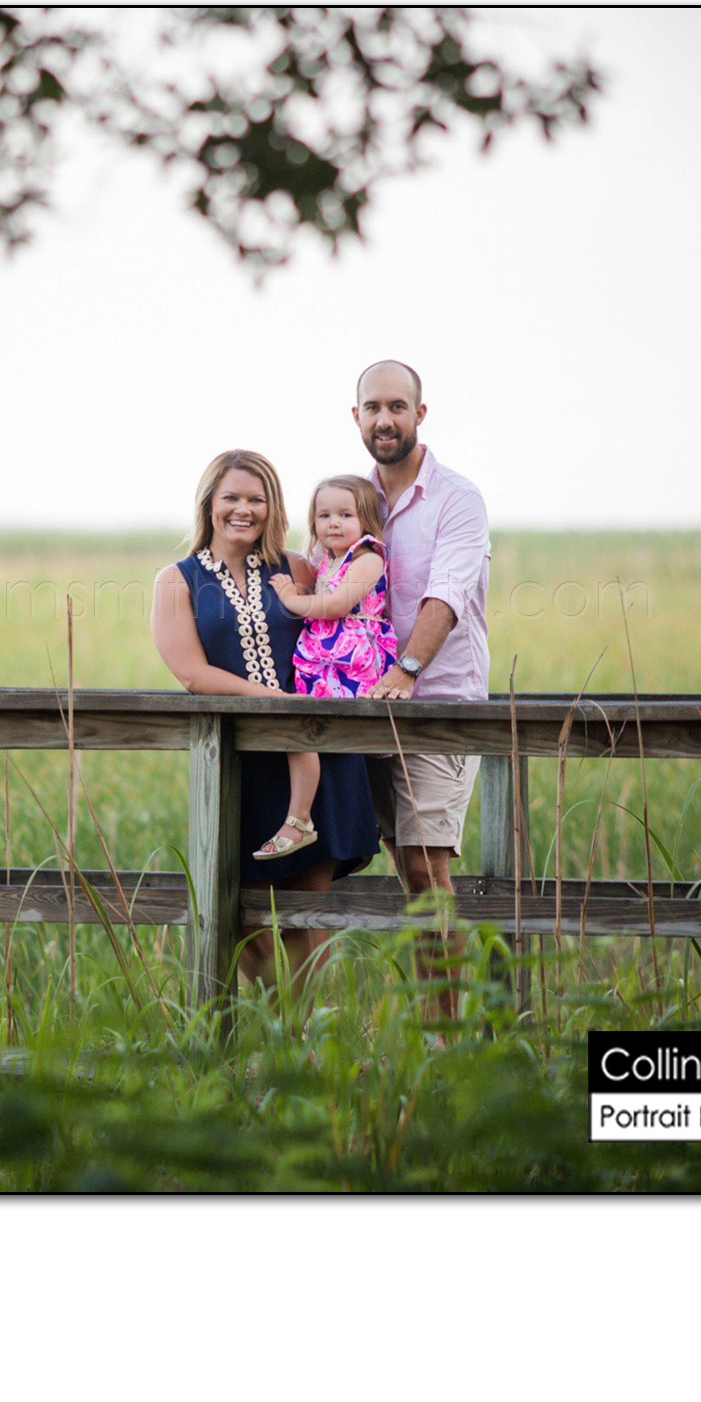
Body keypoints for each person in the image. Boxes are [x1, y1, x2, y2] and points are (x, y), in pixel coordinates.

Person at [150, 449, 381, 991]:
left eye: (256, 499)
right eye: (231, 497)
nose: (244, 510)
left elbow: (348, 624)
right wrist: (274, 701)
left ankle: (303, 1036)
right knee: (245, 920)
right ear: (209, 503)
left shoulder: (297, 569)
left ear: (272, 507)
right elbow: (192, 673)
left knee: (307, 914)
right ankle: (259, 1033)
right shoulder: (177, 580)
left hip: (315, 757)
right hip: (239, 763)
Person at [354, 360, 492, 1022]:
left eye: (397, 407)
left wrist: (406, 670)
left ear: (420, 414)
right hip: (368, 710)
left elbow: (448, 593)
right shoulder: (356, 501)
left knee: (426, 871)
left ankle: (448, 1036)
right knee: (406, 871)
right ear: (356, 417)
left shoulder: (456, 498)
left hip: (440, 706)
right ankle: (432, 1027)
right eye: (373, 408)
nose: (385, 420)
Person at [257, 475, 399, 860]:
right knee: (303, 728)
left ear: (366, 519)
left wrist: (290, 598)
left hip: (351, 661)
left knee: (318, 730)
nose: (333, 523)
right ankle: (303, 816)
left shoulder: (368, 558)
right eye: (324, 516)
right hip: (325, 661)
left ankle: (313, 819)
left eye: (345, 515)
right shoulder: (329, 561)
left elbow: (335, 605)